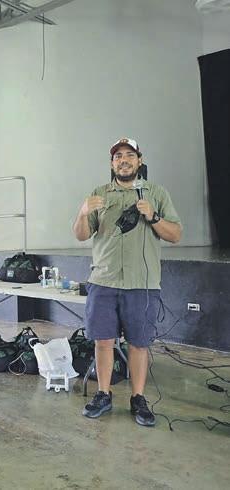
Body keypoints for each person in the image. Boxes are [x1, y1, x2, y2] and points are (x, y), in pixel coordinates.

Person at [72, 137, 182, 427]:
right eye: (118, 156)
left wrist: (153, 217)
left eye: (130, 155)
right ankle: (103, 394)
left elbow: (175, 234)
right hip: (103, 280)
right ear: (112, 164)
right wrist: (82, 212)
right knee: (103, 342)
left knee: (139, 344)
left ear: (139, 160)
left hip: (141, 283)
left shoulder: (156, 193)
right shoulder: (99, 194)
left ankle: (138, 399)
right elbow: (81, 234)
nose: (124, 160)